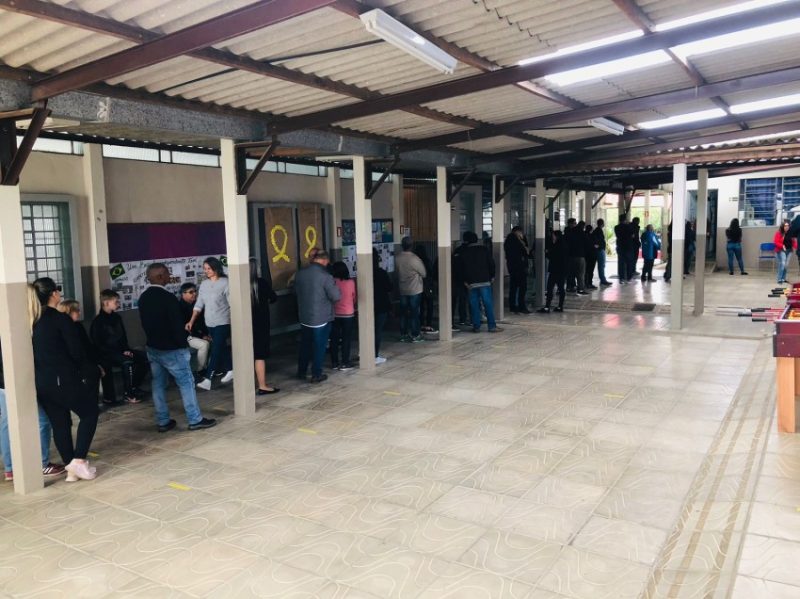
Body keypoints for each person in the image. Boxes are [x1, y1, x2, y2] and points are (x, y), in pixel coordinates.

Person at [32, 277, 99, 482]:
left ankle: (71, 468)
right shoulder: (59, 319)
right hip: (64, 379)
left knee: (60, 423)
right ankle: (78, 461)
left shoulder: (32, 319)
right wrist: (87, 371)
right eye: (58, 290)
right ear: (54, 294)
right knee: (89, 413)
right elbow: (76, 351)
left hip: (42, 381)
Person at [138, 263, 217, 432]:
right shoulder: (168, 298)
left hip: (153, 348)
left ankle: (163, 421)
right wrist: (183, 346)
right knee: (186, 383)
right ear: (160, 276)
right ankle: (195, 419)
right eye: (167, 273)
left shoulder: (144, 297)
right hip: (172, 350)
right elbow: (176, 326)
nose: (169, 276)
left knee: (158, 384)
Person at [1, 291, 65, 482]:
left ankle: (11, 467)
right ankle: (41, 464)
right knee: (42, 421)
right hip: (13, 380)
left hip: (5, 381)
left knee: (7, 422)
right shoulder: (18, 325)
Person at [90, 289, 148, 404]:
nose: (118, 304)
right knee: (127, 362)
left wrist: (125, 349)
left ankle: (134, 386)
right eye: (115, 302)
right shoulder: (98, 322)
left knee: (145, 358)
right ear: (106, 303)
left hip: (120, 351)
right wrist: (120, 353)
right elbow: (98, 345)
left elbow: (123, 337)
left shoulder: (117, 318)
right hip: (107, 354)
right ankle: (128, 394)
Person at [295, 250, 340, 383]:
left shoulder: (300, 273)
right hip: (321, 317)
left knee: (305, 345)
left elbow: (295, 292)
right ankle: (316, 374)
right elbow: (336, 296)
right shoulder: (325, 276)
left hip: (304, 316)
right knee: (319, 346)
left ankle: (301, 371)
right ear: (324, 260)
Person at [188, 257, 233, 390]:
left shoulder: (226, 282)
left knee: (216, 349)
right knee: (221, 346)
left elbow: (232, 303)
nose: (206, 271)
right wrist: (191, 321)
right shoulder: (204, 284)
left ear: (216, 268)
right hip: (210, 322)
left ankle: (208, 378)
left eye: (209, 268)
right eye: (205, 268)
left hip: (223, 321)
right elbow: (199, 304)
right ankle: (231, 370)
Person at [58, 299, 103, 407]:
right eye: (77, 310)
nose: (79, 312)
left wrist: (96, 363)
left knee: (94, 371)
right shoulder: (65, 329)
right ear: (69, 312)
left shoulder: (78, 326)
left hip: (83, 361)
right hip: (72, 363)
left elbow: (87, 346)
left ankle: (92, 403)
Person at [457, 231, 503, 333]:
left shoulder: (463, 252)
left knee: (474, 304)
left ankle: (476, 326)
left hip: (471, 282)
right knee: (488, 304)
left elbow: (461, 268)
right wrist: (492, 276)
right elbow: (491, 263)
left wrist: (464, 281)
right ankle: (492, 326)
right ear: (476, 239)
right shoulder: (484, 249)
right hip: (484, 281)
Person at [249, 258, 279, 394]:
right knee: (259, 355)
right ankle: (262, 385)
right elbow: (273, 298)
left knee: (247, 354)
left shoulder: (240, 284)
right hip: (261, 323)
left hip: (245, 324)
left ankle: (247, 385)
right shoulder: (262, 283)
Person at [394, 236, 426, 343]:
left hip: (403, 289)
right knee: (414, 313)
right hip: (415, 290)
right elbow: (424, 273)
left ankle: (403, 334)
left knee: (403, 313)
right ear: (412, 246)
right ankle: (415, 334)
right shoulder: (415, 259)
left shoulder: (397, 258)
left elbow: (396, 272)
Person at [178, 283, 211, 377]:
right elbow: (186, 328)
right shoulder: (179, 307)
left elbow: (202, 323)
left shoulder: (197, 305)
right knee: (204, 344)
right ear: (183, 294)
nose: (194, 294)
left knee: (215, 340)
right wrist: (203, 336)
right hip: (186, 336)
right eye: (191, 292)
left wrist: (207, 334)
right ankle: (200, 370)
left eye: (195, 291)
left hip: (198, 334)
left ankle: (210, 367)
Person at [329, 261, 356, 371]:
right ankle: (345, 362)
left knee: (334, 339)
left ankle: (334, 362)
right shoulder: (350, 282)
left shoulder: (331, 282)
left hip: (334, 314)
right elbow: (354, 297)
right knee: (346, 338)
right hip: (348, 314)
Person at [538, 230, 568, 313]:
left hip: (555, 270)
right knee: (561, 289)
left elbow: (553, 256)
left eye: (554, 235)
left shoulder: (557, 245)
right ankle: (560, 306)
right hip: (562, 270)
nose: (552, 237)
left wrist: (547, 252)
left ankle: (547, 307)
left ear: (557, 236)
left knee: (550, 288)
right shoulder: (564, 244)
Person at [504, 226, 531, 314]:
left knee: (514, 287)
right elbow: (525, 251)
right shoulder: (515, 240)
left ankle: (513, 306)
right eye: (521, 233)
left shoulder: (509, 240)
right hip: (519, 267)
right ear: (517, 232)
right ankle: (521, 306)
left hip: (512, 267)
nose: (522, 234)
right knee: (522, 287)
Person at [373, 248, 393, 365]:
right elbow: (389, 287)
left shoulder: (363, 272)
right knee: (377, 330)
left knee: (367, 329)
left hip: (368, 305)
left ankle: (365, 351)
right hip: (381, 305)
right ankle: (374, 355)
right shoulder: (381, 273)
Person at [414, 244, 438, 332]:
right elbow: (431, 273)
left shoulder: (416, 261)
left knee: (420, 306)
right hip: (428, 287)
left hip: (418, 286)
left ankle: (421, 324)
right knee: (429, 306)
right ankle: (428, 324)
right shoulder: (427, 261)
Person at [564, 218, 587, 295]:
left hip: (570, 256)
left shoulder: (567, 232)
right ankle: (580, 288)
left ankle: (570, 287)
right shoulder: (578, 232)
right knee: (580, 273)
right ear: (570, 224)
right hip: (579, 255)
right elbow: (586, 241)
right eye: (574, 223)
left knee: (571, 273)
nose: (575, 224)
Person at [452, 232, 470, 327]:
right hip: (467, 279)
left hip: (456, 278)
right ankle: (467, 318)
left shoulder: (457, 250)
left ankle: (461, 319)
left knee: (459, 300)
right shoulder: (470, 250)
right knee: (468, 299)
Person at [774, 220, 796, 284]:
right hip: (781, 250)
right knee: (782, 264)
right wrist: (782, 246)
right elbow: (776, 242)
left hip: (789, 251)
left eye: (788, 226)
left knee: (786, 265)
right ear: (782, 227)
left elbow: (794, 242)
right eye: (785, 226)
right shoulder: (779, 233)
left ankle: (783, 278)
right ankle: (779, 279)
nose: (787, 227)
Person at [592, 219, 612, 286]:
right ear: (602, 224)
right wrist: (599, 246)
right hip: (600, 250)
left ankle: (603, 280)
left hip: (599, 250)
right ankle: (603, 280)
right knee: (601, 265)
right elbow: (599, 240)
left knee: (601, 266)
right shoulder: (599, 231)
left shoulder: (596, 230)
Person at [614, 214, 632, 284]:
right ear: (625, 220)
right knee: (629, 263)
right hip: (628, 247)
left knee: (621, 263)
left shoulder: (616, 227)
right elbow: (632, 235)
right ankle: (628, 278)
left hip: (620, 247)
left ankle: (621, 278)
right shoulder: (628, 227)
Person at [584, 224, 598, 290]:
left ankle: (585, 283)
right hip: (592, 255)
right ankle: (589, 283)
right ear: (591, 230)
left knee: (586, 270)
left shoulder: (583, 235)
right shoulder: (592, 236)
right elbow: (595, 245)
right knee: (590, 270)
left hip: (586, 256)